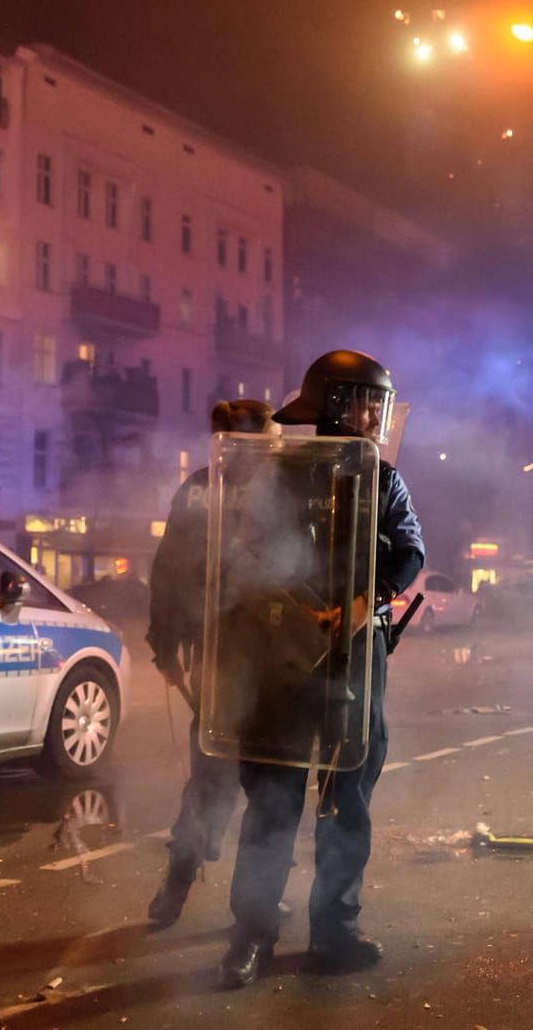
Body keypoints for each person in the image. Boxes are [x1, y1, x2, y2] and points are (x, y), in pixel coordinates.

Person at [219, 350, 424, 989]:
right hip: (283, 658)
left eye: (377, 403)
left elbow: (411, 551)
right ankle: (251, 936)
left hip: (356, 657)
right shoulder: (280, 476)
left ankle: (334, 930)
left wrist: (363, 606)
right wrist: (285, 610)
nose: (372, 415)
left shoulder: (384, 480)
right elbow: (243, 554)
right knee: (273, 801)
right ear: (332, 403)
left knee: (348, 799)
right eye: (361, 400)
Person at [144, 399, 279, 928]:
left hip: (271, 660)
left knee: (266, 788)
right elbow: (173, 567)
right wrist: (165, 640)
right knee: (215, 779)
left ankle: (258, 897)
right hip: (227, 658)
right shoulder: (207, 488)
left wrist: (165, 641)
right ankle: (180, 880)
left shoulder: (282, 485)